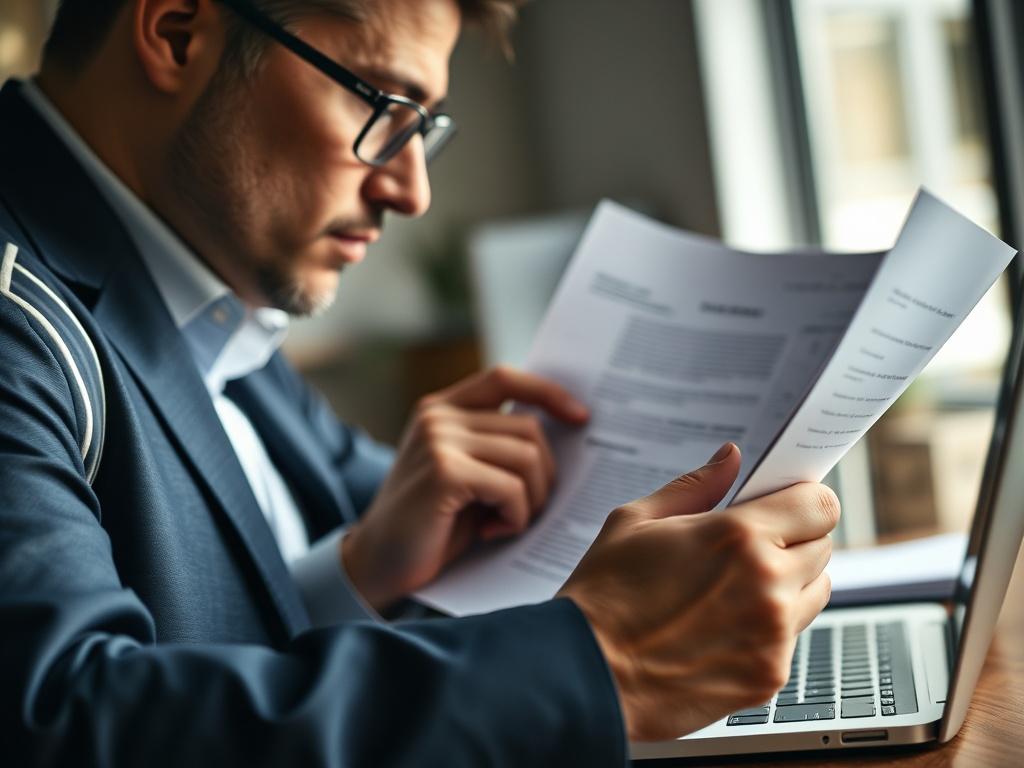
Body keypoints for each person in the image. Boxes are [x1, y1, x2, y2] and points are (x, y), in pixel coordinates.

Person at [0, 0, 839, 765]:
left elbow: (252, 612)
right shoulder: (20, 313)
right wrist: (605, 659)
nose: (411, 189)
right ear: (176, 33)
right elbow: (63, 724)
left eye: (422, 128)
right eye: (379, 102)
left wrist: (359, 572)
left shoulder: (210, 299)